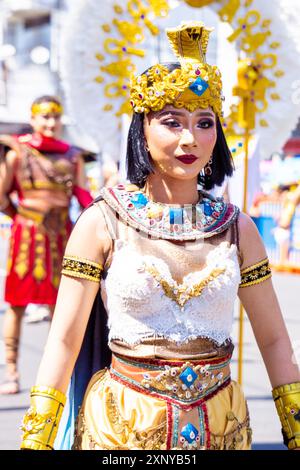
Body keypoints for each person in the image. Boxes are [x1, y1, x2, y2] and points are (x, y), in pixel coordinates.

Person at [20, 22, 299, 451]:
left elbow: (275, 339)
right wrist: (37, 438)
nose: (190, 138)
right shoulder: (102, 221)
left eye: (205, 123)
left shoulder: (237, 227)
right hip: (120, 428)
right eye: (172, 122)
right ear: (142, 129)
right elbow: (63, 338)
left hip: (220, 428)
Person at [0, 95, 93, 394]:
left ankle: (59, 375)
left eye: (55, 117)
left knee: (62, 306)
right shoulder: (18, 154)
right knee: (16, 305)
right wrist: (21, 217)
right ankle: (12, 371)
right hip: (26, 238)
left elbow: (84, 197)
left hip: (62, 237)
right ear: (33, 119)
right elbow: (2, 194)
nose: (50, 123)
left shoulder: (73, 156)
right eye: (44, 117)